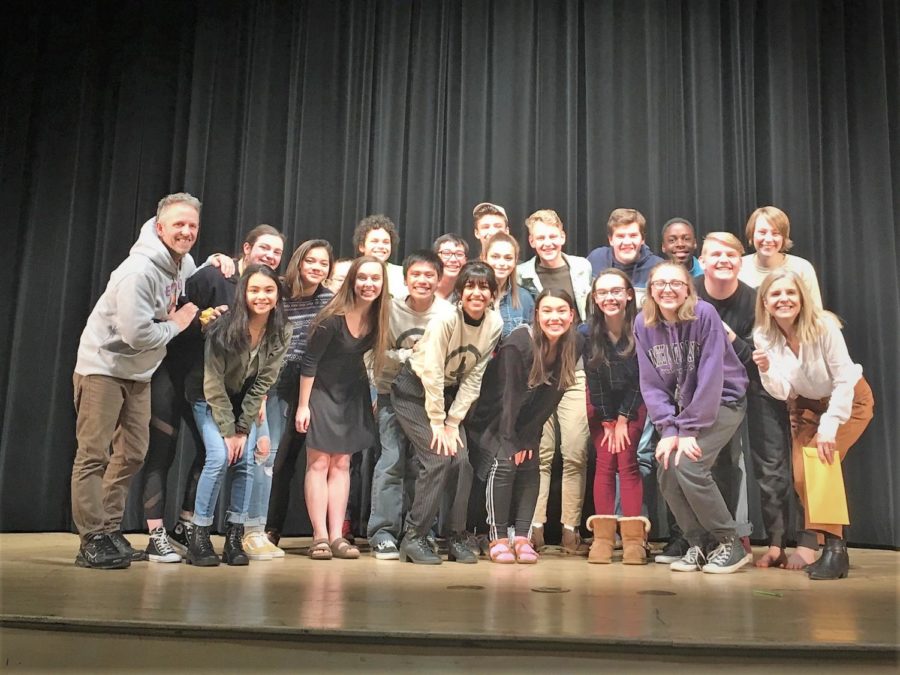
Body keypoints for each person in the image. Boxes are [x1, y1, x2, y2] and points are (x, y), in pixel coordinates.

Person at [140, 224, 285, 562]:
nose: (270, 256)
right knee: (181, 454)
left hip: (228, 396)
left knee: (231, 458)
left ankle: (208, 532)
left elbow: (263, 377)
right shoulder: (216, 283)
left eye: (277, 251)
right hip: (190, 383)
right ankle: (174, 535)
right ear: (246, 249)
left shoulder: (274, 317)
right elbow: (179, 308)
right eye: (265, 247)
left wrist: (245, 422)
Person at [70, 193, 201, 569]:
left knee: (132, 453)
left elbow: (195, 276)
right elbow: (136, 335)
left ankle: (109, 529)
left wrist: (222, 261)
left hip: (138, 372)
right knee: (94, 455)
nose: (186, 231)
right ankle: (91, 538)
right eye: (178, 224)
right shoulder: (138, 271)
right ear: (160, 228)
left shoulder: (184, 262)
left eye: (192, 225)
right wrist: (176, 324)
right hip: (103, 367)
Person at [753, 270, 874, 580]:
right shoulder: (764, 335)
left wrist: (829, 427)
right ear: (765, 302)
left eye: (790, 293)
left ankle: (836, 551)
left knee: (821, 463)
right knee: (801, 474)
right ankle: (821, 544)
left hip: (848, 400)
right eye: (776, 295)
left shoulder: (823, 327)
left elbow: (845, 379)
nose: (784, 299)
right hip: (806, 405)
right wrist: (766, 371)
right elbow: (783, 390)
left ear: (801, 298)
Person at [634, 262, 751, 574]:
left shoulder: (704, 315)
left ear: (687, 289)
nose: (668, 289)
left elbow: (711, 376)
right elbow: (651, 383)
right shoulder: (643, 323)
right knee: (667, 467)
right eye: (660, 284)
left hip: (723, 400)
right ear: (651, 291)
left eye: (675, 283)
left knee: (689, 464)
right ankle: (697, 542)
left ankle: (729, 541)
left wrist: (688, 428)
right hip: (682, 413)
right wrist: (668, 428)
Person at [392, 262, 502, 564]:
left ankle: (455, 536)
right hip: (414, 390)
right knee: (438, 458)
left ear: (493, 294)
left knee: (463, 462)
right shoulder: (445, 319)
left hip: (448, 397)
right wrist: (438, 423)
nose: (477, 293)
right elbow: (432, 373)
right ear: (460, 291)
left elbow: (474, 376)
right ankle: (413, 537)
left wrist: (454, 422)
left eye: (484, 287)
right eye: (470, 286)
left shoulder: (494, 323)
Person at [695, 232, 792, 568]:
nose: (723, 260)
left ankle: (777, 542)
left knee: (770, 463)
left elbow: (757, 357)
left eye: (731, 255)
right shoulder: (689, 294)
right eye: (715, 255)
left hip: (758, 385)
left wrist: (730, 336)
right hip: (709, 390)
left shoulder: (755, 300)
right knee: (716, 463)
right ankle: (716, 540)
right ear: (702, 261)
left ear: (740, 261)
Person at [184, 265, 291, 566]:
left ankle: (235, 536)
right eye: (254, 290)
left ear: (277, 295)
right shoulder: (224, 325)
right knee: (218, 456)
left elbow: (262, 384)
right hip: (208, 398)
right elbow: (213, 382)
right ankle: (199, 536)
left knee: (247, 460)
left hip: (242, 405)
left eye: (268, 290)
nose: (261, 296)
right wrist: (228, 431)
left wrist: (242, 429)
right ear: (243, 293)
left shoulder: (282, 330)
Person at [468, 290, 582, 564]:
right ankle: (497, 538)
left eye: (561, 311)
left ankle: (521, 536)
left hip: (524, 422)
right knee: (506, 463)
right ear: (537, 315)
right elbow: (507, 399)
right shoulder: (519, 343)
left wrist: (529, 438)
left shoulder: (573, 344)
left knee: (531, 463)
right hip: (492, 421)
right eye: (548, 311)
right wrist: (510, 442)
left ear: (571, 315)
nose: (555, 317)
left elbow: (550, 400)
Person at [295, 256, 390, 560]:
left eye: (375, 278)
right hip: (321, 392)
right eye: (362, 277)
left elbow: (376, 359)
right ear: (352, 280)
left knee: (343, 464)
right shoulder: (332, 317)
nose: (368, 284)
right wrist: (302, 406)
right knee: (320, 463)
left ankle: (337, 535)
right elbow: (309, 362)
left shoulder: (379, 317)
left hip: (353, 393)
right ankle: (319, 536)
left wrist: (376, 393)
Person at [250, 240, 334, 558]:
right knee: (268, 456)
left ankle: (274, 527)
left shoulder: (329, 300)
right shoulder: (279, 290)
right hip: (272, 379)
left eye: (323, 263)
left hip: (309, 383)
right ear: (299, 262)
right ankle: (257, 527)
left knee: (292, 460)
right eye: (310, 261)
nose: (316, 267)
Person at [516, 209, 592, 555]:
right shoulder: (521, 275)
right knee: (539, 453)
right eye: (539, 238)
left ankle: (570, 529)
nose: (547, 243)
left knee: (575, 450)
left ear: (562, 236)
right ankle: (534, 528)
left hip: (574, 368)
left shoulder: (581, 267)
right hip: (537, 371)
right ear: (531, 242)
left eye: (552, 236)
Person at [367, 251, 451, 559]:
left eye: (430, 275)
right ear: (405, 279)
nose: (423, 281)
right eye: (416, 274)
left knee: (423, 464)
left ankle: (421, 529)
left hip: (425, 400)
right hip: (389, 392)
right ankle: (383, 532)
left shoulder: (446, 313)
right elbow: (375, 352)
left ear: (439, 280)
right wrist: (407, 358)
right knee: (391, 460)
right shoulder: (389, 310)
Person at [583, 269, 649, 564]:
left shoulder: (643, 327)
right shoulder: (587, 333)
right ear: (595, 299)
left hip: (635, 403)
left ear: (628, 294)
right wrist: (608, 420)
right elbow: (594, 380)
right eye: (603, 293)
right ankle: (603, 539)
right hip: (601, 405)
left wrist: (623, 418)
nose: (610, 297)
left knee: (627, 459)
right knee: (605, 460)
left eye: (616, 291)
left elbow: (641, 378)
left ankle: (634, 540)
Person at [738, 206, 823, 308]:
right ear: (752, 235)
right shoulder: (738, 266)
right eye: (762, 232)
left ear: (784, 237)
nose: (768, 239)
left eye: (776, 233)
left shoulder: (802, 268)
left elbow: (816, 313)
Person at [586, 208, 664, 303]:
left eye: (633, 236)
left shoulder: (658, 267)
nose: (627, 242)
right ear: (610, 240)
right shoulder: (596, 259)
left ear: (642, 239)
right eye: (620, 236)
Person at [484, 232, 534, 337]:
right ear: (485, 258)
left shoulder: (524, 298)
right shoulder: (472, 294)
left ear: (515, 261)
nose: (502, 263)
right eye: (495, 257)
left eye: (508, 258)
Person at [353, 214, 406, 299]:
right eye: (374, 241)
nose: (381, 246)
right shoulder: (351, 271)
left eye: (386, 242)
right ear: (362, 246)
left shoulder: (402, 273)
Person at [433, 234, 469, 301]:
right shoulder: (424, 285)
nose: (453, 260)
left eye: (459, 254)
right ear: (435, 258)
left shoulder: (467, 293)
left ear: (466, 260)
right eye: (446, 253)